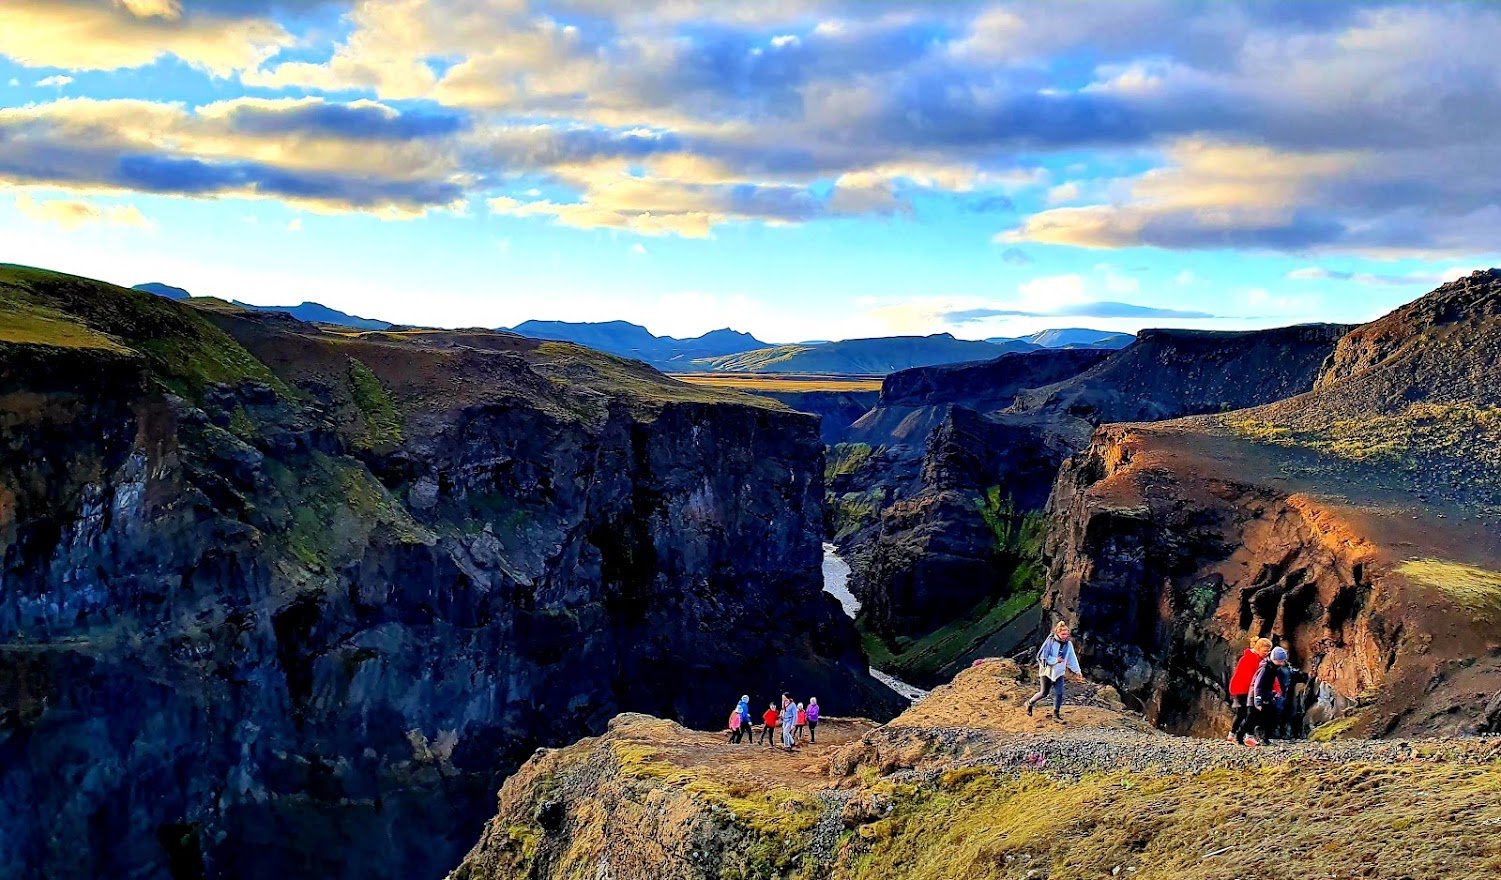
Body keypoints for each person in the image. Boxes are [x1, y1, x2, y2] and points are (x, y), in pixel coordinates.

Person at [1024, 621, 1083, 721]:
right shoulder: (1050, 642)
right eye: (1063, 634)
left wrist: (1077, 671)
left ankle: (1056, 715)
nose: (1065, 636)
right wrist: (1056, 660)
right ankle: (1029, 703)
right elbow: (1043, 657)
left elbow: (1071, 658)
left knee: (1059, 693)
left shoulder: (1068, 644)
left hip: (1059, 672)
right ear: (1057, 633)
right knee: (1044, 693)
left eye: (1066, 634)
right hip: (1046, 672)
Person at [1228, 637, 1273, 746]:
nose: (1267, 653)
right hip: (1241, 690)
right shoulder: (1249, 659)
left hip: (1246, 690)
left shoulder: (1259, 659)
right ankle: (1242, 735)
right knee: (1248, 713)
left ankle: (1233, 735)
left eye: (1268, 651)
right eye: (1265, 651)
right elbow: (1250, 677)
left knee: (1245, 713)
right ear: (1258, 648)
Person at [1248, 646, 1293, 746]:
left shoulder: (1273, 668)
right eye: (1281, 661)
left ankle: (1265, 738)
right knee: (1261, 718)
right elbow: (1258, 685)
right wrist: (1258, 700)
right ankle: (1254, 737)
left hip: (1269, 695)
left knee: (1272, 717)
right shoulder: (1265, 668)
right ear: (1275, 659)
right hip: (1262, 697)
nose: (1282, 663)